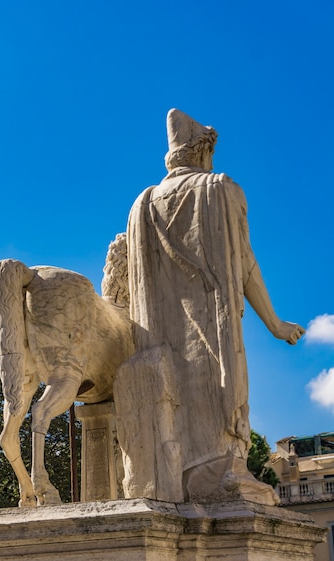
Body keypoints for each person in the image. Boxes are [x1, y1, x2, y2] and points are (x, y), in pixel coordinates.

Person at [114, 108, 304, 505]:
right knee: (219, 391)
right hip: (212, 330)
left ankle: (175, 478)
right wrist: (274, 323)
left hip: (159, 338)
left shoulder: (142, 205)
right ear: (203, 153)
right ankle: (221, 473)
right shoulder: (220, 188)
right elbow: (244, 262)